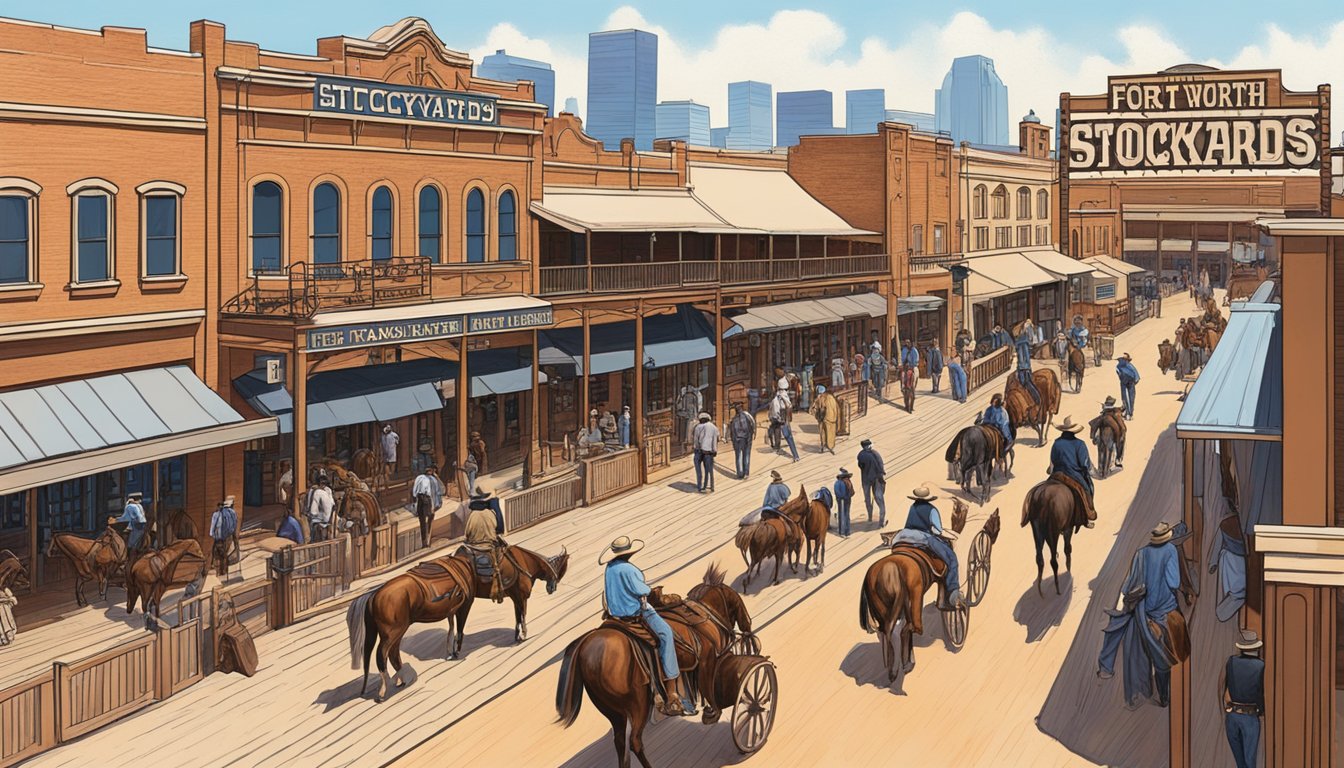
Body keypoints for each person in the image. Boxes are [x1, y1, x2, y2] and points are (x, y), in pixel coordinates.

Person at [1097, 522, 1190, 708]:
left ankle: (1109, 668)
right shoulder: (1171, 550)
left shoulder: (1141, 553)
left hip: (1143, 611)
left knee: (1126, 633)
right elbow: (1174, 582)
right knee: (1168, 651)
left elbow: (1128, 585)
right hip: (1166, 610)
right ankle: (1165, 695)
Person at [601, 536, 696, 716]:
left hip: (615, 615)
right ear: (629, 552)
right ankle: (671, 690)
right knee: (667, 634)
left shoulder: (609, 568)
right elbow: (642, 590)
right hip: (636, 613)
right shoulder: (629, 569)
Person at [898, 486, 962, 608]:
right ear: (928, 499)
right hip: (923, 538)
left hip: (905, 536)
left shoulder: (913, 507)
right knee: (952, 558)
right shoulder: (932, 510)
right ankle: (953, 591)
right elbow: (937, 530)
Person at [1221, 632, 1264, 768]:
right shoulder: (1260, 666)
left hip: (1232, 716)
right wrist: (1262, 710)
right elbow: (1260, 692)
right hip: (1250, 716)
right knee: (1250, 760)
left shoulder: (1232, 661)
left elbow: (1227, 684)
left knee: (1240, 761)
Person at [1048, 416, 1096, 528]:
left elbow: (1052, 461)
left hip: (1057, 473)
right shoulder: (1080, 444)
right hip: (1073, 474)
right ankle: (1086, 517)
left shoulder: (1056, 443)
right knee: (1087, 489)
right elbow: (1084, 463)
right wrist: (1086, 470)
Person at [465, 486, 506, 601]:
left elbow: (468, 533)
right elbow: (498, 528)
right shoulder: (491, 513)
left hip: (474, 547)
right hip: (490, 546)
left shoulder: (472, 516)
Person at [856, 438, 887, 527]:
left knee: (867, 499)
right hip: (877, 479)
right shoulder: (875, 454)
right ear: (868, 446)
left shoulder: (860, 455)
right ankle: (881, 522)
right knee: (879, 499)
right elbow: (881, 466)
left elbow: (860, 466)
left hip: (866, 480)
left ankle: (870, 517)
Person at [412, 466, 444, 548]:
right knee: (428, 521)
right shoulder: (433, 480)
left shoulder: (419, 478)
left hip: (421, 499)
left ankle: (425, 542)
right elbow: (440, 491)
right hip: (427, 500)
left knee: (423, 521)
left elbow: (414, 492)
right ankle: (426, 541)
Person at [209, 496, 239, 578]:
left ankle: (220, 571)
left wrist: (212, 534)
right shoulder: (231, 512)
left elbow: (213, 526)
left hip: (219, 537)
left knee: (218, 553)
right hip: (225, 536)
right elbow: (233, 525)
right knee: (223, 554)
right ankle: (223, 571)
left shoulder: (218, 514)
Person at [1014, 320, 1042, 406]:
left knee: (1026, 383)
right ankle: (1034, 399)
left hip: (1024, 368)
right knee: (1025, 383)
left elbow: (1024, 356)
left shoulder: (1023, 342)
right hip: (1023, 367)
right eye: (1026, 325)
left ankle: (1036, 399)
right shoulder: (1021, 340)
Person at [691, 412, 719, 493]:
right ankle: (711, 486)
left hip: (699, 451)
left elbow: (695, 440)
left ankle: (700, 485)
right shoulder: (714, 427)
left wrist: (696, 448)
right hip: (709, 451)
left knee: (698, 469)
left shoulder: (697, 427)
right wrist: (714, 450)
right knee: (709, 469)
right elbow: (715, 440)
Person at [728, 403, 756, 480]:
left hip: (737, 439)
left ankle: (740, 474)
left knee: (738, 456)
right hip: (747, 438)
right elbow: (753, 424)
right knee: (746, 455)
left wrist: (732, 440)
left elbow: (731, 431)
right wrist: (754, 434)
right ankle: (746, 473)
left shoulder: (734, 419)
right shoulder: (747, 415)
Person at [811, 384, 839, 454]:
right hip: (831, 418)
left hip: (823, 418)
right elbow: (835, 408)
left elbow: (813, 409)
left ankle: (824, 445)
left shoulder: (819, 398)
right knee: (830, 432)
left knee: (823, 431)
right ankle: (830, 446)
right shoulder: (830, 397)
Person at [306, 475, 335, 542]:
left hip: (323, 519)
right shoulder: (328, 490)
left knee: (311, 520)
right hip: (330, 517)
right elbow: (333, 504)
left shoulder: (316, 492)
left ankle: (312, 540)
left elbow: (313, 511)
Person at [1116, 352, 1140, 420]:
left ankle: (1127, 413)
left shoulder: (1118, 367)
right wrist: (1134, 381)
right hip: (1130, 382)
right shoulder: (1130, 365)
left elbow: (1119, 375)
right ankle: (1130, 414)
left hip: (1124, 383)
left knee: (1125, 397)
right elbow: (1136, 375)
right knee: (1131, 398)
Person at [833, 468, 855, 537]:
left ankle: (842, 532)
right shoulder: (848, 481)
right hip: (847, 500)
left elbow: (837, 492)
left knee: (842, 515)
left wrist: (841, 497)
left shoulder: (838, 483)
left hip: (841, 500)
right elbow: (852, 492)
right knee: (846, 515)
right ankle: (846, 532)